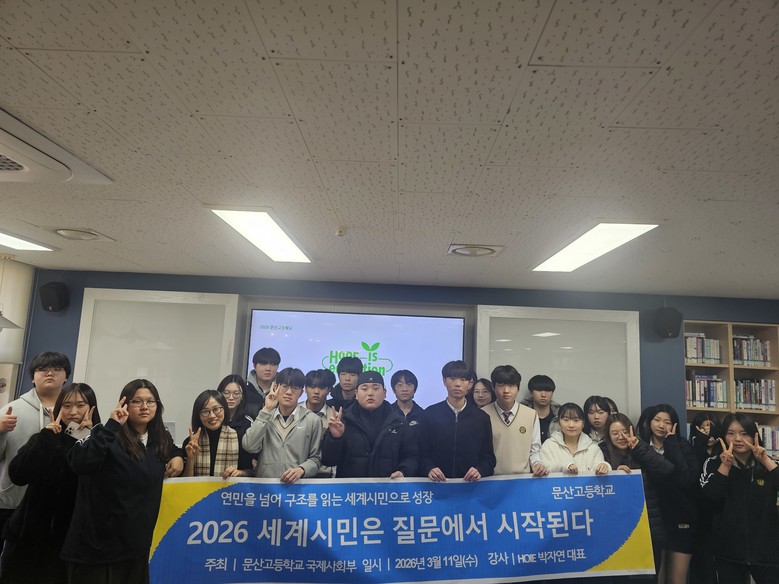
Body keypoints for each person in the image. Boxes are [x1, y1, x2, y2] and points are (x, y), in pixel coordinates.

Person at [61, 379, 184, 583]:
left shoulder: (160, 439)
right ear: (125, 404)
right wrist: (112, 426)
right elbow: (80, 463)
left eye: (150, 401)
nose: (144, 407)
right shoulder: (106, 434)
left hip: (138, 547)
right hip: (101, 549)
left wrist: (178, 455)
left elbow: (171, 449)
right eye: (137, 401)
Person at [0, 383, 99, 583]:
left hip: (70, 540)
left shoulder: (100, 443)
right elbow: (18, 475)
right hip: (28, 536)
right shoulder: (44, 438)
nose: (73, 411)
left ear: (92, 408)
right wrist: (45, 439)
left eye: (80, 405)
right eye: (67, 405)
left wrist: (91, 439)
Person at [0, 351, 71, 547]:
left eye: (57, 369)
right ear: (33, 378)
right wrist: (1, 432)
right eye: (42, 369)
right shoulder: (11, 410)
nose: (50, 373)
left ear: (66, 376)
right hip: (12, 503)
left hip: (54, 507)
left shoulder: (73, 413)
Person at [700, 413, 778, 584]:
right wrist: (725, 466)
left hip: (767, 552)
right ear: (723, 437)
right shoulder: (712, 463)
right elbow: (710, 498)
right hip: (728, 552)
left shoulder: (768, 465)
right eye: (730, 433)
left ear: (754, 436)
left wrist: (765, 460)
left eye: (744, 433)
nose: (737, 439)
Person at [601, 413, 675, 578]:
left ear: (631, 431)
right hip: (618, 530)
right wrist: (614, 473)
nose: (621, 437)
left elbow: (667, 469)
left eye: (624, 431)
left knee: (647, 577)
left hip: (648, 527)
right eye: (615, 433)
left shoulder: (641, 448)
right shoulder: (602, 452)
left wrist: (638, 447)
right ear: (608, 435)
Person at [637, 404, 699, 584]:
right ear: (649, 422)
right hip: (655, 521)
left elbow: (686, 478)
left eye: (667, 422)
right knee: (658, 578)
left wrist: (671, 443)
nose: (661, 425)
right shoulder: (641, 447)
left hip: (681, 520)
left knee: (676, 579)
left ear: (674, 425)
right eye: (657, 420)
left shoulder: (682, 445)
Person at [321, 371, 418, 478]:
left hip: (388, 486)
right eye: (364, 389)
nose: (370, 393)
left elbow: (412, 456)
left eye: (375, 388)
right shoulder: (343, 420)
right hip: (351, 487)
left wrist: (403, 471)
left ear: (384, 393)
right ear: (356, 394)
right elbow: (328, 460)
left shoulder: (398, 422)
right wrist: (335, 438)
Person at [242, 368, 322, 483]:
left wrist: (302, 469)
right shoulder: (264, 416)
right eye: (284, 386)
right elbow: (249, 446)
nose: (289, 392)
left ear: (301, 392)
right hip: (266, 486)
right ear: (275, 387)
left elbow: (316, 459)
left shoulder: (312, 420)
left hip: (297, 486)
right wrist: (267, 409)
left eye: (295, 388)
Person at [419, 360, 495, 482]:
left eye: (463, 379)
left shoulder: (482, 418)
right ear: (444, 381)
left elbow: (488, 458)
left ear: (470, 383)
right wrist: (429, 468)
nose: (457, 384)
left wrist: (480, 470)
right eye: (452, 378)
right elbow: (421, 453)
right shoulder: (430, 414)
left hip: (470, 486)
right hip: (437, 485)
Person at [482, 366, 546, 477]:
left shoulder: (531, 415)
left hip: (522, 480)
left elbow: (534, 450)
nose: (506, 391)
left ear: (518, 388)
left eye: (511, 385)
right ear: (493, 387)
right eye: (501, 385)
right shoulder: (482, 414)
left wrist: (537, 464)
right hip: (491, 479)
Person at [183, 390, 251, 479]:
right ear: (198, 415)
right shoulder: (190, 443)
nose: (212, 416)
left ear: (224, 409)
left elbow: (249, 472)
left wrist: (239, 473)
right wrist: (191, 459)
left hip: (228, 488)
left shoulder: (237, 438)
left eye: (216, 409)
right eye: (205, 411)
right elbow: (184, 482)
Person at [540, 402, 609, 475]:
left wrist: (603, 466)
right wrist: (563, 466)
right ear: (559, 422)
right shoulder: (548, 445)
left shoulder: (593, 448)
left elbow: (599, 467)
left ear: (583, 424)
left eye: (576, 420)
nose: (571, 425)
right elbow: (545, 468)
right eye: (566, 420)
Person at [300, 369, 337, 478]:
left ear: (329, 390)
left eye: (322, 388)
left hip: (324, 475)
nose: (316, 391)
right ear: (305, 388)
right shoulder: (294, 411)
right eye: (312, 387)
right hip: (296, 473)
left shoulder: (335, 417)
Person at [217, 374, 256, 471]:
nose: (231, 397)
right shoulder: (213, 419)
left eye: (236, 393)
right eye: (226, 393)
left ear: (242, 396)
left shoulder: (248, 422)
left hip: (240, 474)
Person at [521, 374, 560, 442]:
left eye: (547, 391)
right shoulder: (520, 413)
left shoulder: (561, 416)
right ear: (531, 393)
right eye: (539, 390)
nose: (543, 395)